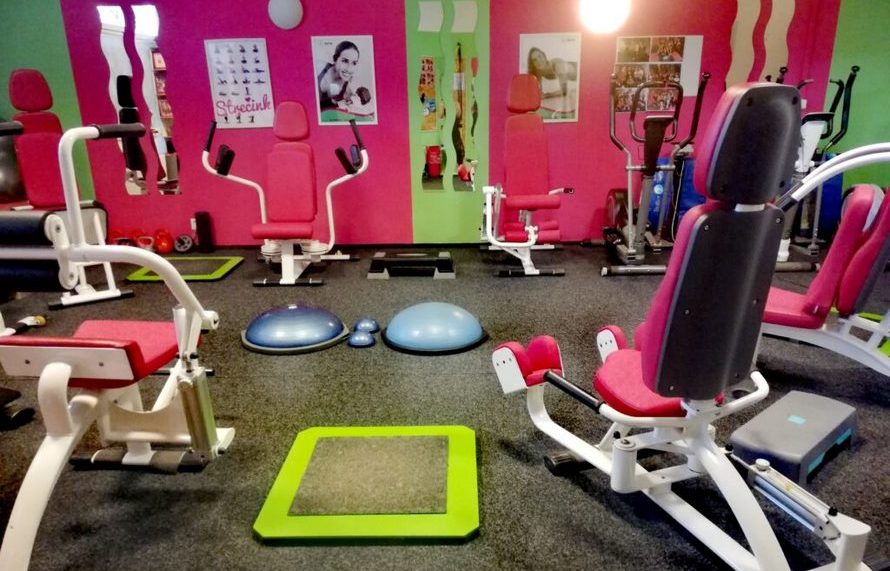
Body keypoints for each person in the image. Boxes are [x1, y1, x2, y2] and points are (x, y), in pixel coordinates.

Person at [317, 41, 371, 111]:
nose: (349, 69)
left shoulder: (346, 89)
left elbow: (356, 102)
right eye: (345, 61)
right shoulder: (319, 67)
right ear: (335, 59)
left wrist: (363, 98)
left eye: (354, 63)